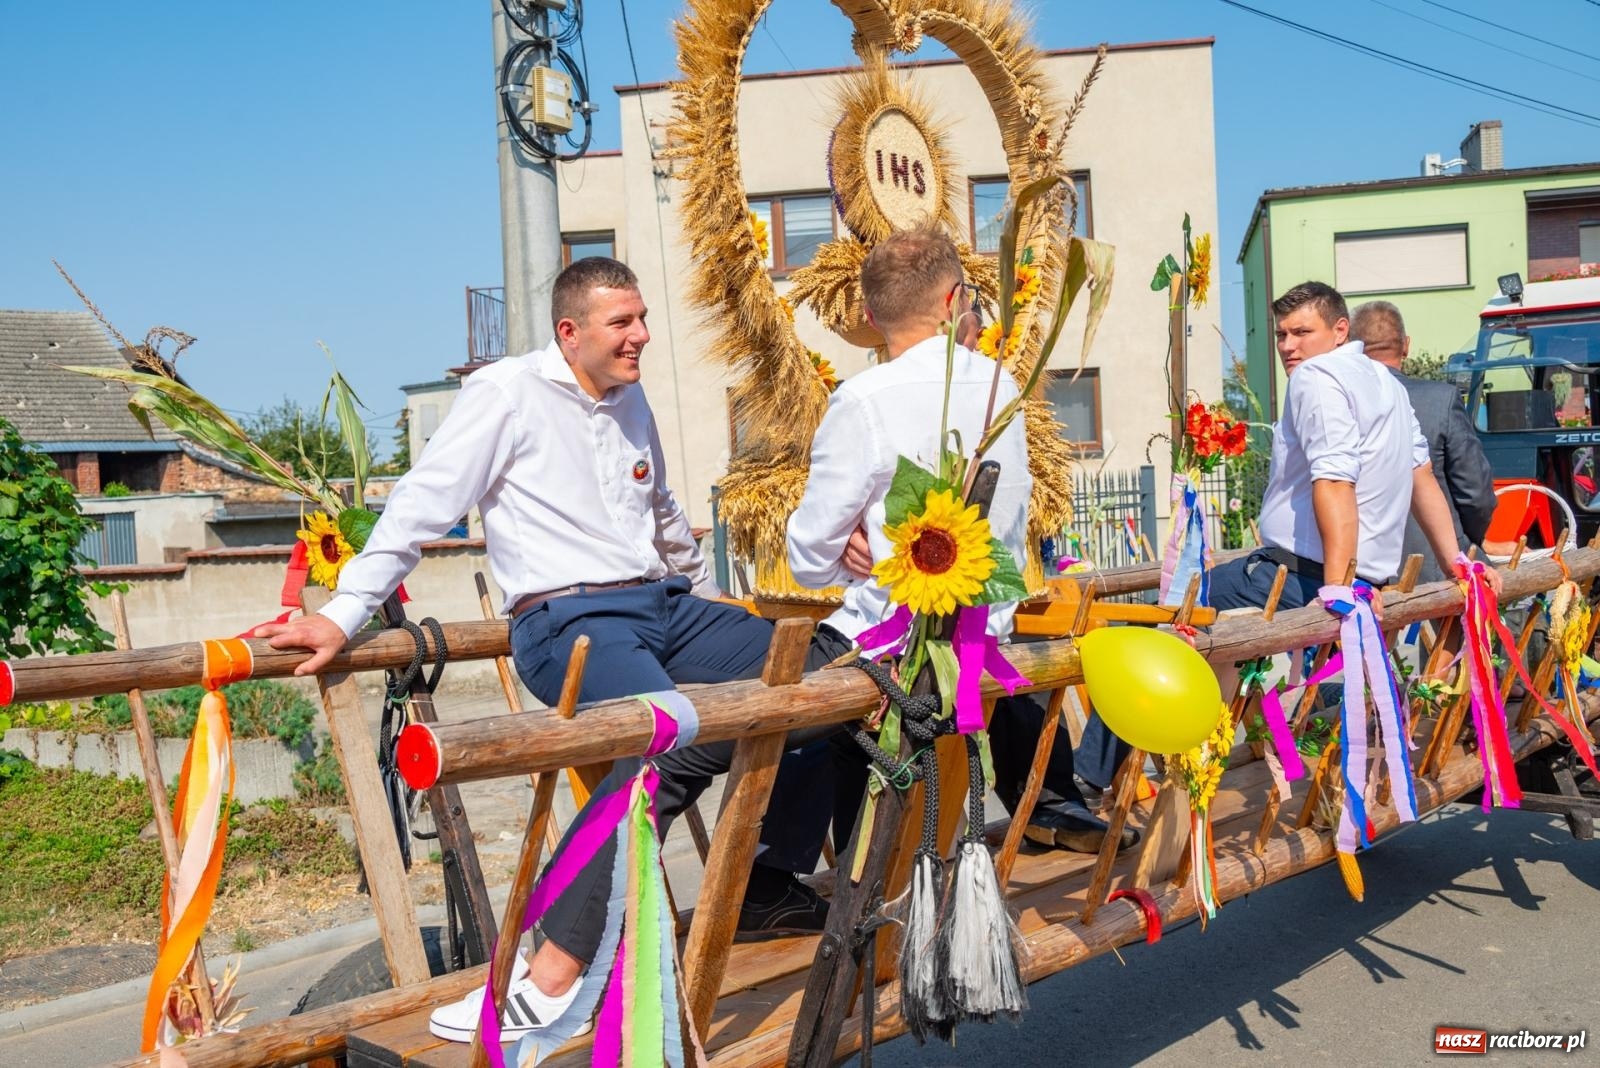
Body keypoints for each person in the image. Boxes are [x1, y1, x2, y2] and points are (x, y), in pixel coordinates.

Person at [256, 257, 834, 1039]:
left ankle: (767, 882)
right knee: (654, 741)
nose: (641, 336)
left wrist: (704, 590)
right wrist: (346, 611)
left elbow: (660, 509)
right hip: (569, 625)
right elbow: (423, 506)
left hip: (663, 604)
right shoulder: (505, 394)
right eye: (622, 323)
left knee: (830, 673)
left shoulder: (633, 401)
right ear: (571, 332)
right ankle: (552, 962)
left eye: (640, 318)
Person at [785, 224, 1130, 854]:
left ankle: (780, 877)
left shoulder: (860, 399)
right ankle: (1054, 806)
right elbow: (1008, 524)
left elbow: (807, 559)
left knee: (793, 702)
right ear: (955, 301)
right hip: (982, 642)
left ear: (869, 314)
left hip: (892, 648)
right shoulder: (1002, 391)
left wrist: (844, 550)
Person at [1207, 280, 1494, 611]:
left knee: (1166, 612)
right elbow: (1421, 475)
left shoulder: (1314, 374)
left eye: (1302, 332)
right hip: (1367, 582)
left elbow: (1334, 478)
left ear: (1340, 330)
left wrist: (1336, 590)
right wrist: (1454, 563)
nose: (1288, 346)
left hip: (1301, 577)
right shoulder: (1388, 382)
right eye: (1281, 335)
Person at [1350, 300, 1498, 583]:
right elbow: (1476, 493)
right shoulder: (1441, 400)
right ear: (1405, 345)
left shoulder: (1340, 403)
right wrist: (1466, 542)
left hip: (1361, 576)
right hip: (1440, 571)